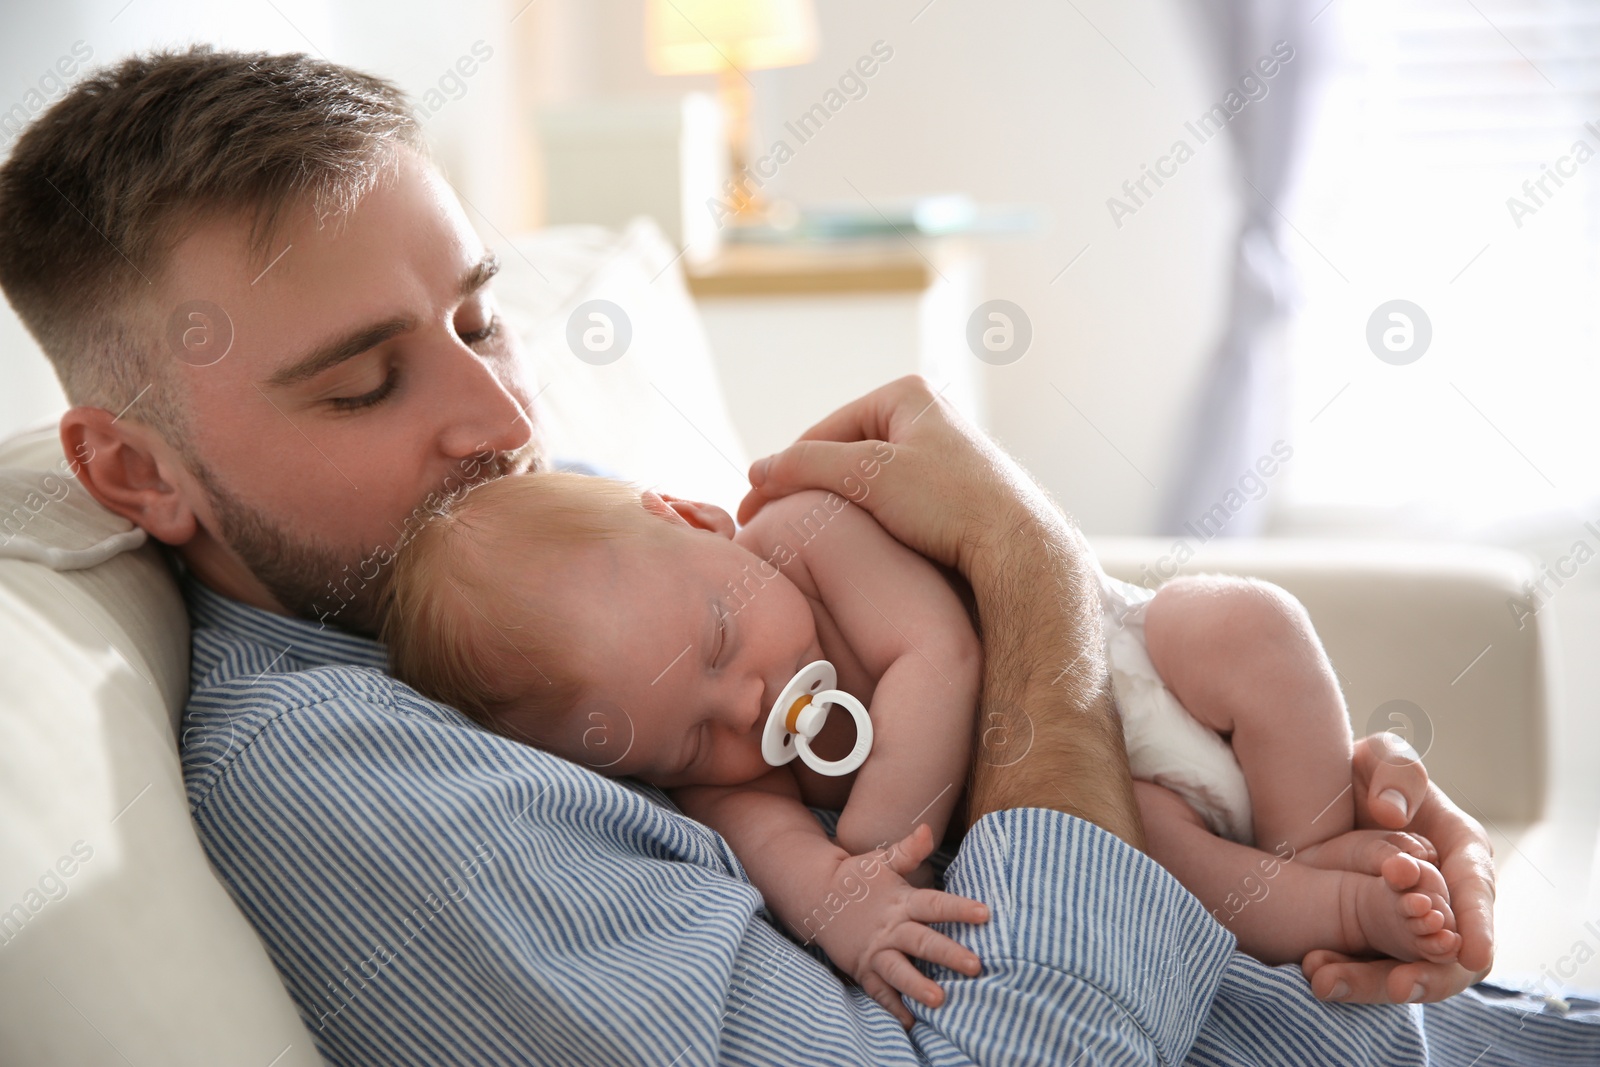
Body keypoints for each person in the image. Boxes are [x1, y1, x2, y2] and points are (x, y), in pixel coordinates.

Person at [1, 44, 1594, 1065]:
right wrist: (1031, 562)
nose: (499, 414)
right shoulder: (350, 776)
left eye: (484, 317)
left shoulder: (535, 523)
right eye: (363, 380)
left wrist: (1301, 794)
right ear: (138, 469)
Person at [379, 469, 1461, 1026]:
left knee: (1249, 623)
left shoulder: (805, 527)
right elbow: (807, 879)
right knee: (1163, 851)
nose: (746, 701)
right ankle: (1341, 908)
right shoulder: (729, 789)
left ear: (701, 520)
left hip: (1131, 671)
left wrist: (873, 833)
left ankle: (1325, 832)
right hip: (1095, 792)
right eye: (687, 731)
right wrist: (851, 908)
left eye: (718, 635)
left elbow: (937, 653)